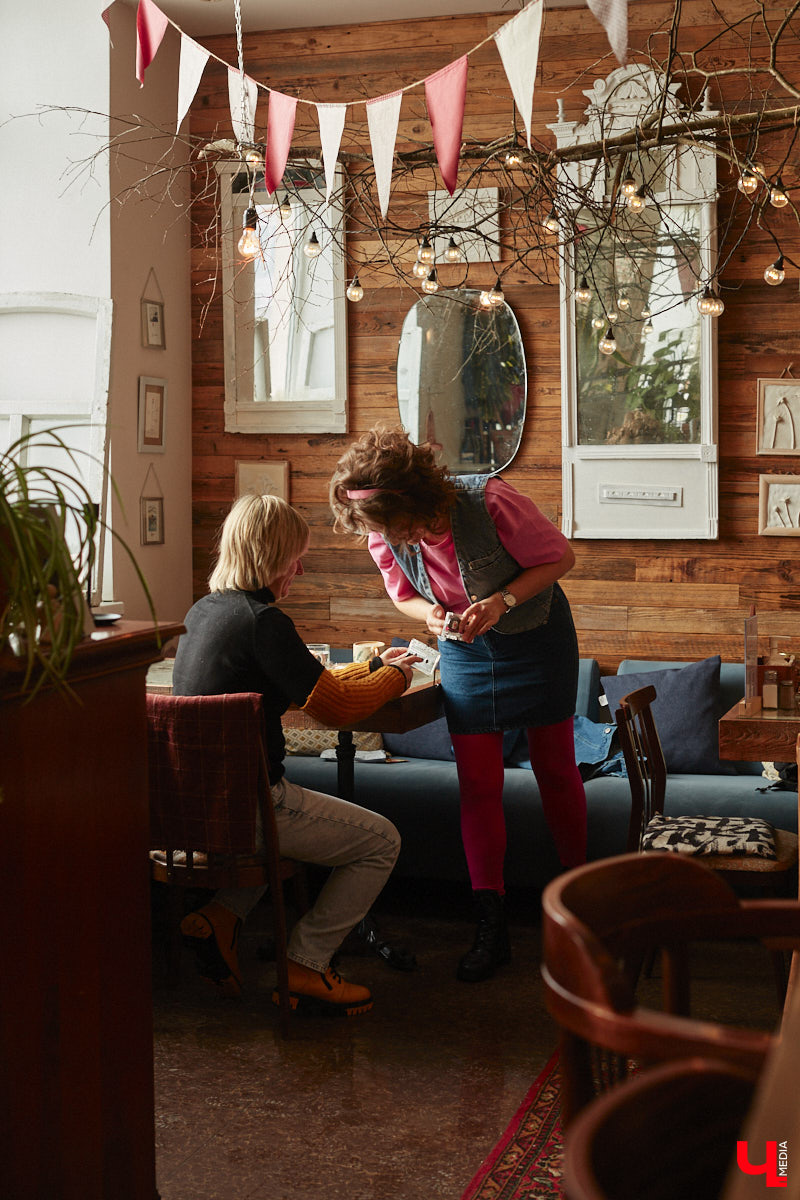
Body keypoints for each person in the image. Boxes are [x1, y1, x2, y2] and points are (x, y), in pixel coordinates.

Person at [329, 426, 587, 983]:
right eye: (388, 532)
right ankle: (491, 925)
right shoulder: (383, 527)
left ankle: (581, 914)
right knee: (477, 785)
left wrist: (502, 600)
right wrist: (430, 616)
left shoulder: (489, 500)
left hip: (537, 639)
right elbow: (403, 595)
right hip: (466, 652)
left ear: (418, 496)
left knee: (556, 772)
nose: (398, 538)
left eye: (403, 526)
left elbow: (559, 559)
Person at [171, 492, 418, 1017]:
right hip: (253, 810)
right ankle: (307, 963)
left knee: (291, 830)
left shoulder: (205, 612)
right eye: (295, 558)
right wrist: (399, 678)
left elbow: (312, 683)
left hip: (196, 811)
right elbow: (337, 709)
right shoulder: (264, 623)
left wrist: (374, 668)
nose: (300, 570)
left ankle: (219, 916)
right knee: (382, 842)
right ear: (269, 556)